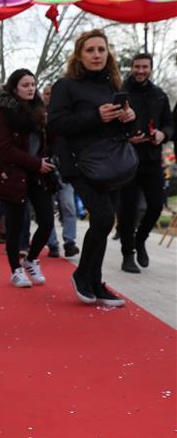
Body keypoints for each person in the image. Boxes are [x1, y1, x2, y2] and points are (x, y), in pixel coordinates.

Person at [48, 29, 136, 307]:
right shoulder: (66, 85)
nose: (97, 55)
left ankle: (95, 282)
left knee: (104, 222)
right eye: (90, 50)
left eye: (101, 49)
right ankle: (82, 275)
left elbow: (123, 131)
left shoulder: (113, 85)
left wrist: (129, 118)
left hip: (112, 164)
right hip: (80, 164)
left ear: (108, 53)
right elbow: (56, 125)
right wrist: (96, 116)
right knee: (103, 218)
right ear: (79, 55)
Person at [0, 70, 56, 288]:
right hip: (14, 176)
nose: (31, 88)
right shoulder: (4, 115)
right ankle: (15, 270)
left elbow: (47, 141)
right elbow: (5, 149)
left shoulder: (40, 112)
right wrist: (36, 163)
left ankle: (31, 259)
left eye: (33, 84)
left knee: (47, 221)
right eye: (25, 85)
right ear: (15, 88)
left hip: (39, 176)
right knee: (15, 227)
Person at [117, 53, 173, 273]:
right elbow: (110, 126)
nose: (140, 71)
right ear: (131, 67)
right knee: (128, 209)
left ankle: (140, 239)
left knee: (157, 205)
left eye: (145, 67)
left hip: (152, 159)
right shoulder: (120, 92)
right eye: (137, 67)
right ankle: (127, 254)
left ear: (150, 68)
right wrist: (126, 137)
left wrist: (163, 134)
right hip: (127, 159)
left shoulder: (159, 95)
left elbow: (169, 124)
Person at [41, 83, 79, 259]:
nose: (49, 96)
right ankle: (52, 244)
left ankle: (70, 242)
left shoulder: (66, 113)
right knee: (47, 209)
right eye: (46, 93)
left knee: (68, 205)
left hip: (65, 167)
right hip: (44, 167)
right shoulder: (38, 114)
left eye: (52, 93)